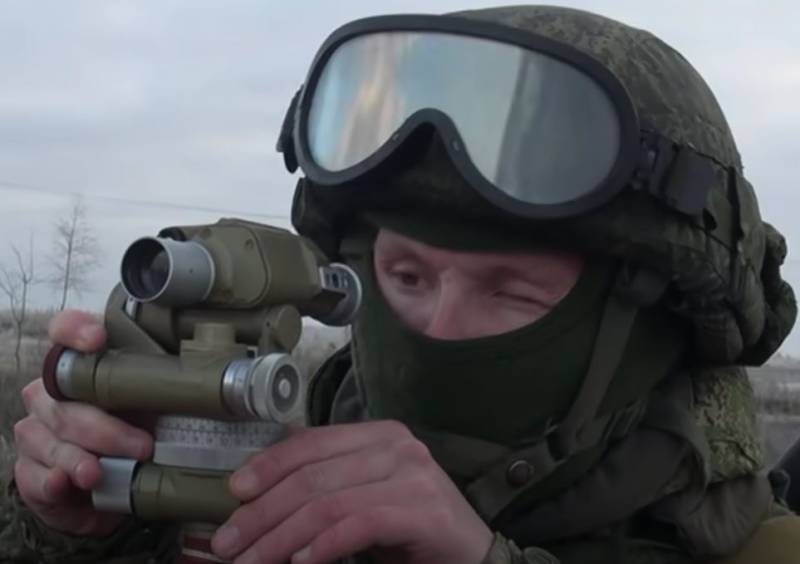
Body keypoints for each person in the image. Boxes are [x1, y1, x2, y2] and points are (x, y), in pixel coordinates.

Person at [2, 5, 800, 564]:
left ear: (650, 323)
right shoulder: (259, 494)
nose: (437, 328)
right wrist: (83, 527)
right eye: (407, 275)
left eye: (511, 293)